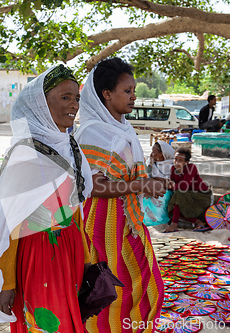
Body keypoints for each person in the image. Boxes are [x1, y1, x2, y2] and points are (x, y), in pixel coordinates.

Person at [0, 65, 94, 332]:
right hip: (38, 256)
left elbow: (74, 209)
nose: (74, 105)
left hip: (71, 251)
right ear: (40, 104)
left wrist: (87, 258)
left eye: (76, 97)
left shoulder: (69, 147)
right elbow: (9, 225)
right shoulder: (25, 154)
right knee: (48, 324)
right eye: (65, 97)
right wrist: (7, 282)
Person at [75, 58, 165, 332]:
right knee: (110, 294)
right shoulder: (93, 133)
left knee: (147, 289)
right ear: (106, 94)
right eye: (127, 91)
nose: (134, 96)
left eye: (133, 90)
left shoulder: (121, 128)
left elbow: (126, 175)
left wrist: (148, 181)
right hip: (103, 228)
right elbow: (95, 187)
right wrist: (140, 186)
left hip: (129, 223)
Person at [165, 147, 212, 232]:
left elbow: (183, 187)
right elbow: (173, 184)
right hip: (186, 195)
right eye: (175, 159)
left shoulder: (191, 168)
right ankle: (198, 222)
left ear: (186, 162)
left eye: (180, 160)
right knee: (170, 207)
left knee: (179, 194)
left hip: (200, 197)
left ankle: (174, 224)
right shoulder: (173, 169)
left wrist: (172, 185)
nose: (176, 162)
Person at [144, 140, 175, 231]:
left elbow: (171, 182)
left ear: (161, 154)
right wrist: (150, 164)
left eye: (154, 152)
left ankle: (160, 221)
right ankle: (148, 221)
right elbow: (146, 176)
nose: (152, 154)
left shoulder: (171, 164)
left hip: (166, 189)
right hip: (153, 187)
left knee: (160, 197)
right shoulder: (152, 163)